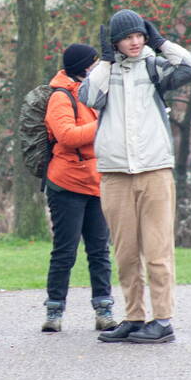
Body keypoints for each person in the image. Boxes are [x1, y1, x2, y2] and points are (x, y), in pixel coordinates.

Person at [80, 9, 191, 344]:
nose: (135, 42)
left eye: (140, 35)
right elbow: (88, 97)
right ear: (115, 42)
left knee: (158, 251)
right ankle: (134, 317)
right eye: (128, 37)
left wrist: (162, 43)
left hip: (154, 171)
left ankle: (162, 320)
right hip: (116, 174)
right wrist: (105, 61)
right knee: (125, 252)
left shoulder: (155, 67)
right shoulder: (107, 72)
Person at [41, 44, 117, 334]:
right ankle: (54, 311)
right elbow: (66, 135)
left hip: (96, 182)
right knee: (65, 251)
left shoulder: (95, 93)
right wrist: (103, 125)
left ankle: (104, 310)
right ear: (84, 67)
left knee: (99, 251)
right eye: (93, 64)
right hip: (66, 184)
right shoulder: (61, 97)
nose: (97, 68)